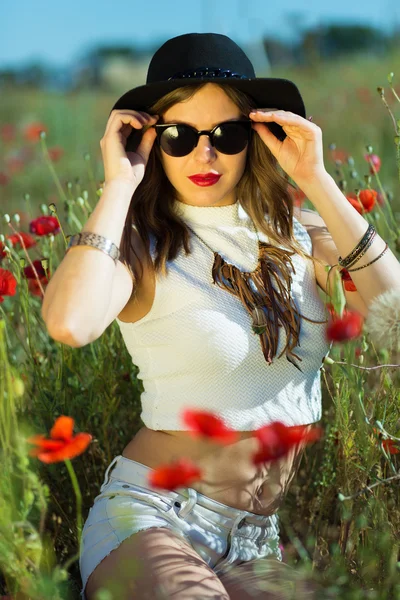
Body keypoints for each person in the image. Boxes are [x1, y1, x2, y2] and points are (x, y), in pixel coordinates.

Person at [42, 32, 400, 600]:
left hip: (258, 542)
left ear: (257, 137)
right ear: (150, 142)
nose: (203, 155)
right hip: (155, 518)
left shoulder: (301, 235)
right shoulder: (143, 247)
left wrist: (316, 179)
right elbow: (69, 324)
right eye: (179, 136)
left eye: (226, 135)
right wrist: (119, 186)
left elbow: (395, 320)